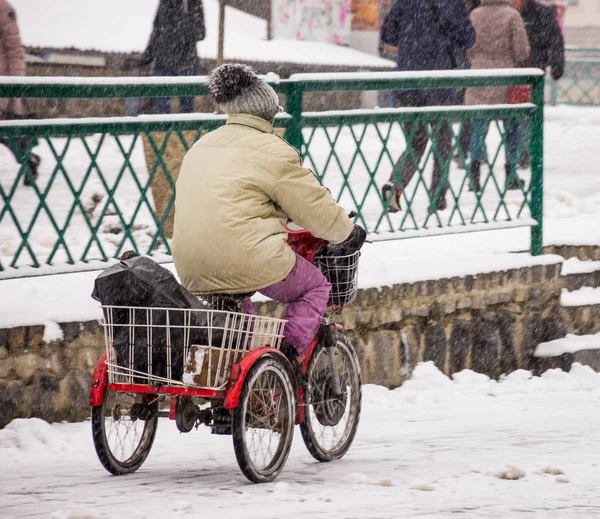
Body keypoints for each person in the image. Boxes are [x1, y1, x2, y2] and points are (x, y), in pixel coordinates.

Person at [172, 64, 366, 361]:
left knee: (239, 303)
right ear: (268, 114)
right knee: (315, 286)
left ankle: (243, 369)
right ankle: (285, 359)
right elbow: (315, 207)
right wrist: (347, 232)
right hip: (245, 258)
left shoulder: (201, 145)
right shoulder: (273, 150)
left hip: (190, 263)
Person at [379, 0, 475, 214]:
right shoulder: (452, 4)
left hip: (408, 82)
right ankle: (438, 198)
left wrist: (411, 40)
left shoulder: (405, 2)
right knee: (442, 143)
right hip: (438, 84)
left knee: (415, 143)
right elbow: (468, 38)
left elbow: (387, 34)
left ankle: (396, 184)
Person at [466, 0, 530, 192]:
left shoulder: (474, 15)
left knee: (478, 128)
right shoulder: (512, 15)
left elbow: (468, 47)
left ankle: (474, 175)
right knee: (511, 129)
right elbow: (521, 51)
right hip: (505, 77)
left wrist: (480, 59)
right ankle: (510, 176)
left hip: (479, 76)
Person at [516, 0, 565, 168]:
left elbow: (556, 40)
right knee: (518, 115)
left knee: (528, 114)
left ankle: (524, 154)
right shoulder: (510, 11)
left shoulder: (542, 13)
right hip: (514, 70)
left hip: (534, 72)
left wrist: (558, 67)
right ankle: (519, 154)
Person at [140, 0, 205, 114]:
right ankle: (163, 130)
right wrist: (146, 57)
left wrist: (183, 25)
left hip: (186, 63)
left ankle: (184, 130)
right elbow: (156, 29)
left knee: (186, 110)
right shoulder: (165, 2)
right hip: (164, 61)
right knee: (162, 108)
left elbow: (201, 32)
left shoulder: (193, 2)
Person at [0, 0, 39, 186]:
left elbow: (15, 51)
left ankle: (28, 159)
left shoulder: (3, 9)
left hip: (4, 84)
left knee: (9, 133)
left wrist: (16, 85)